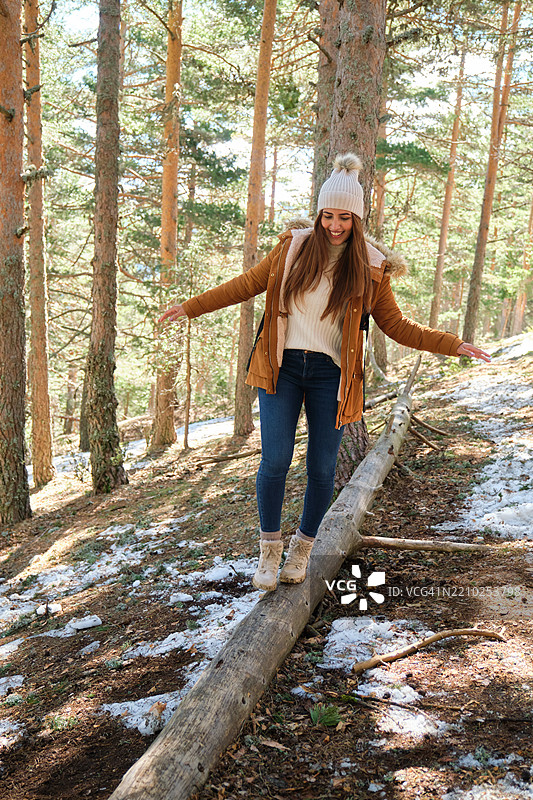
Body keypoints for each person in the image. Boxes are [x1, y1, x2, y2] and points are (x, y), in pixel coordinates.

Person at [159, 153, 491, 592]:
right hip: (281, 368)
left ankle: (302, 549)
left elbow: (397, 325)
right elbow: (245, 284)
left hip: (330, 377)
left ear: (357, 219)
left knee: (321, 467)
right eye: (329, 216)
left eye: (345, 218)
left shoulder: (372, 267)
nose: (336, 225)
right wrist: (191, 307)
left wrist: (451, 344)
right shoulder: (291, 248)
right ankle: (269, 550)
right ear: (319, 214)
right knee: (274, 460)